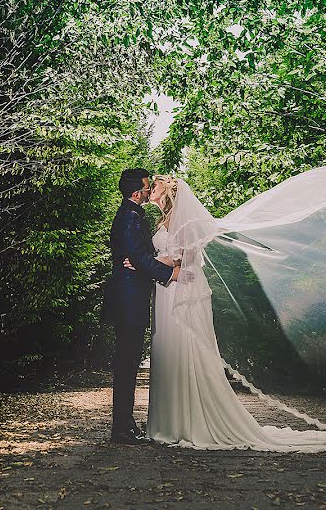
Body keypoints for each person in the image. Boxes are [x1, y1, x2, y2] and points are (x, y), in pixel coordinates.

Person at [126, 174, 326, 452]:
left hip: (182, 290)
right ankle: (167, 422)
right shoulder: (159, 222)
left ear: (167, 191)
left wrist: (143, 262)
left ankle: (186, 422)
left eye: (154, 186)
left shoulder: (184, 222)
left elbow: (185, 258)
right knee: (168, 349)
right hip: (166, 288)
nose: (150, 189)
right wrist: (147, 262)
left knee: (185, 349)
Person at [104, 168, 183, 445]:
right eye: (148, 187)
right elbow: (137, 255)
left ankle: (125, 424)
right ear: (137, 192)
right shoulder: (130, 217)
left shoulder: (133, 214)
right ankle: (122, 429)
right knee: (127, 364)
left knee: (129, 363)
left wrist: (138, 262)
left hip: (130, 297)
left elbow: (138, 256)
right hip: (129, 301)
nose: (150, 190)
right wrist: (168, 274)